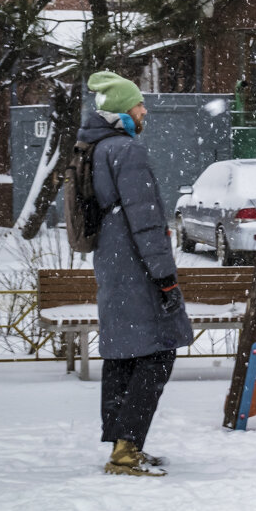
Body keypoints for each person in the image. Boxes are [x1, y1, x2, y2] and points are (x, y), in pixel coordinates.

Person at [78, 70, 193, 477]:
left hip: (111, 265)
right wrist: (165, 277)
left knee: (124, 354)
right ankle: (126, 450)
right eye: (140, 104)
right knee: (158, 353)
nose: (145, 110)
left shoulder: (92, 148)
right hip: (136, 266)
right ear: (124, 110)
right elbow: (146, 223)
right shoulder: (127, 151)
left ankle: (122, 444)